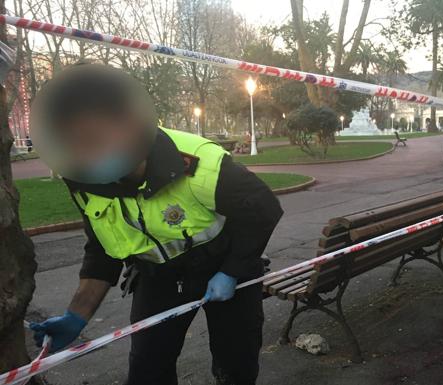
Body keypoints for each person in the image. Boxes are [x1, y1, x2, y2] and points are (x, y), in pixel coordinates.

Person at [28, 64, 283, 385]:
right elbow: (103, 246)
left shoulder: (198, 162)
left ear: (127, 124)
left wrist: (232, 271)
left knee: (236, 364)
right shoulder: (84, 177)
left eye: (94, 136)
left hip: (224, 264)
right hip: (157, 277)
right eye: (76, 141)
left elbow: (263, 209)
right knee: (148, 370)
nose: (86, 151)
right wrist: (77, 315)